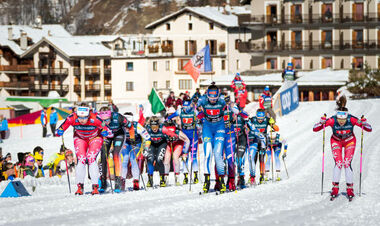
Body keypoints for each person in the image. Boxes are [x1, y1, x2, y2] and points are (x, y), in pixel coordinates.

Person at [313, 95, 372, 200]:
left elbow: (369, 128)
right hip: (336, 141)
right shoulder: (332, 120)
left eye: (343, 119)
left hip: (349, 141)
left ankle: (350, 189)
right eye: (339, 119)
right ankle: (335, 189)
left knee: (347, 163)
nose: (341, 122)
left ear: (346, 117)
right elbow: (315, 129)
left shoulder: (352, 119)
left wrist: (364, 123)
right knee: (339, 163)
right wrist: (321, 122)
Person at [56, 105, 112, 195]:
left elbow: (108, 130)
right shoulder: (72, 118)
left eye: (84, 117)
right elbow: (60, 128)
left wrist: (105, 132)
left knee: (91, 158)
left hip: (95, 138)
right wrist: (59, 131)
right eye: (80, 117)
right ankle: (80, 187)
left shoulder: (96, 118)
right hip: (80, 138)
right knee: (81, 159)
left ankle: (95, 186)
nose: (81, 120)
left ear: (89, 115)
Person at [196, 82, 239, 193]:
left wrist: (232, 106)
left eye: (215, 98)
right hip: (207, 128)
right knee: (208, 154)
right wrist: (196, 107)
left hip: (220, 127)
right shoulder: (203, 99)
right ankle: (206, 182)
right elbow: (195, 108)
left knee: (218, 154)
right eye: (211, 98)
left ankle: (221, 182)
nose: (213, 100)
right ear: (207, 95)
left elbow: (235, 110)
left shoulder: (222, 100)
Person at [97, 106, 131, 193]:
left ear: (111, 116)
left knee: (116, 155)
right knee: (103, 156)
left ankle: (118, 181)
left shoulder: (118, 117)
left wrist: (133, 138)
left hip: (119, 135)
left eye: (107, 120)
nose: (106, 122)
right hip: (107, 136)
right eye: (103, 120)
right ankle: (103, 182)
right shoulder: (98, 119)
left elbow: (130, 126)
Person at [121, 112, 151, 191]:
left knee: (133, 160)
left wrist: (146, 149)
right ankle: (122, 181)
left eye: (129, 123)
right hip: (125, 143)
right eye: (126, 123)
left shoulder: (137, 126)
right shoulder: (120, 125)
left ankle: (136, 181)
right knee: (125, 159)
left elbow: (147, 137)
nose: (127, 126)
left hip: (136, 144)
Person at [248, 108, 278, 184]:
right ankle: (252, 177)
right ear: (256, 116)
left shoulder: (267, 119)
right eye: (258, 118)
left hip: (263, 141)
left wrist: (272, 123)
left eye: (261, 118)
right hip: (254, 140)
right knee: (253, 158)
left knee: (261, 159)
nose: (260, 120)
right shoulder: (252, 119)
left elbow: (277, 129)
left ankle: (262, 176)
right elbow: (246, 126)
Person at [162, 108, 190, 186]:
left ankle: (177, 176)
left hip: (178, 143)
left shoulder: (178, 120)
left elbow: (187, 140)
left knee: (175, 157)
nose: (171, 117)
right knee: (167, 159)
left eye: (172, 114)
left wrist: (185, 152)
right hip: (169, 143)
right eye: (169, 114)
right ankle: (165, 178)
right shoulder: (165, 123)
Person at [180, 100, 200, 185]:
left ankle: (195, 175)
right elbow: (170, 116)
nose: (185, 109)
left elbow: (202, 118)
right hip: (185, 135)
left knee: (193, 155)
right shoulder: (180, 112)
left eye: (186, 107)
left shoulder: (195, 111)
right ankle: (185, 176)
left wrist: (198, 121)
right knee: (185, 156)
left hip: (193, 135)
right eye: (183, 107)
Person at [145, 116, 168, 187]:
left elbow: (172, 134)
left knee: (159, 159)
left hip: (161, 144)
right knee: (150, 159)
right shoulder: (147, 129)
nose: (154, 129)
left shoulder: (162, 128)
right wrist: (145, 148)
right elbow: (144, 138)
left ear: (159, 125)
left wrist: (171, 137)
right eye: (153, 127)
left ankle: (162, 179)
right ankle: (150, 179)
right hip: (152, 144)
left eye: (156, 126)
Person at [246, 120, 266, 186]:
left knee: (251, 158)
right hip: (244, 145)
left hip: (253, 144)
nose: (246, 129)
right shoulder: (241, 130)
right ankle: (240, 178)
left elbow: (262, 137)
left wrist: (263, 146)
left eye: (247, 128)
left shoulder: (253, 130)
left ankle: (254, 178)